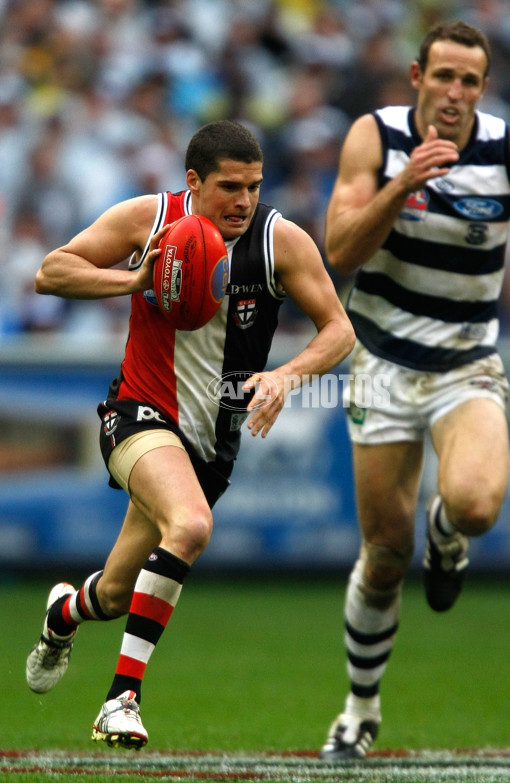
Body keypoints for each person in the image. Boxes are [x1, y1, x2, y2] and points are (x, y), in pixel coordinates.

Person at [26, 119, 355, 749]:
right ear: (193, 182)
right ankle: (121, 699)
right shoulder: (146, 220)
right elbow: (50, 272)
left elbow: (339, 329)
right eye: (230, 186)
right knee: (193, 527)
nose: (244, 201)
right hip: (137, 414)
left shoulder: (279, 241)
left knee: (116, 592)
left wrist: (286, 375)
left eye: (254, 187)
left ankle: (63, 613)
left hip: (210, 445)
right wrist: (131, 280)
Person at [319, 20, 510, 761]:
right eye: (443, 76)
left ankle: (448, 536)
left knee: (474, 503)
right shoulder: (373, 140)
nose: (455, 93)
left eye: (470, 81)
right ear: (416, 75)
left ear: (482, 86)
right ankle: (359, 707)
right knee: (382, 553)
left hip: (466, 363)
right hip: (380, 362)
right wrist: (402, 184)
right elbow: (336, 252)